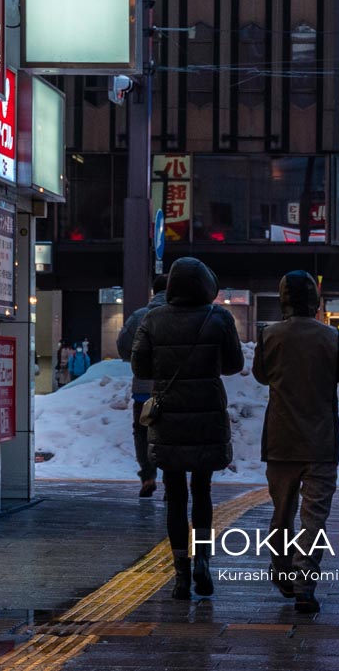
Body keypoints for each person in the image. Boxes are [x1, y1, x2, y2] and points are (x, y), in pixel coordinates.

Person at [252, 270, 339, 615]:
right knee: (313, 518)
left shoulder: (269, 336)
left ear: (283, 300)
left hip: (280, 441)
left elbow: (261, 375)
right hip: (320, 444)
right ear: (315, 302)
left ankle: (281, 569)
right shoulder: (332, 338)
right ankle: (306, 584)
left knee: (282, 513)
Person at [131, 257, 244, 600]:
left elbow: (140, 365)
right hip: (207, 414)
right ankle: (203, 563)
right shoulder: (219, 317)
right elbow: (235, 364)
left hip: (169, 417)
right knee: (204, 492)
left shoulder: (153, 319)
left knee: (176, 495)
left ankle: (180, 572)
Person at [116, 276, 170, 497]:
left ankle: (148, 476)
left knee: (142, 432)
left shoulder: (139, 316)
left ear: (153, 291)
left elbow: (122, 346)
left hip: (143, 388)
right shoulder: (180, 316)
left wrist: (137, 360)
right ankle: (171, 480)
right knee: (170, 433)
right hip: (172, 387)